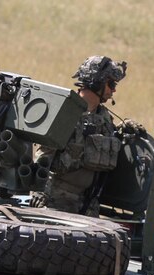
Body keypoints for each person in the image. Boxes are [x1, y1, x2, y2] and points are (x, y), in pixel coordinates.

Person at [32, 55, 128, 216]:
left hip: (88, 203)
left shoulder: (104, 117)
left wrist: (127, 129)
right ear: (96, 82)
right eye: (110, 84)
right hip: (56, 202)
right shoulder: (66, 112)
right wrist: (38, 192)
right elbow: (43, 157)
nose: (114, 90)